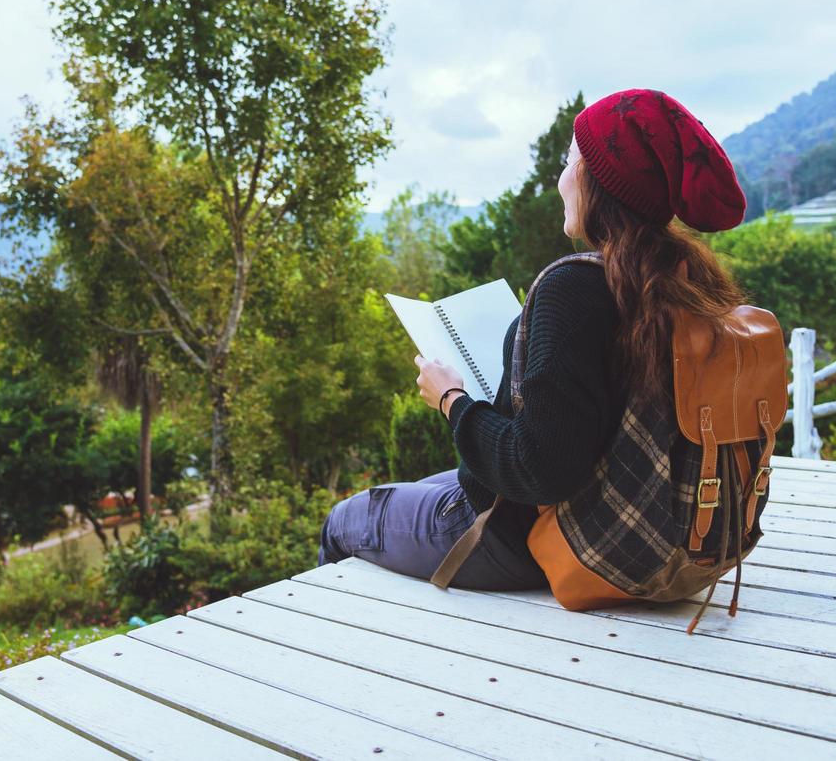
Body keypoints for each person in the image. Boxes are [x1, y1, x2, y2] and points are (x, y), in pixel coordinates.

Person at [317, 88, 750, 590]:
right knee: (407, 491)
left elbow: (541, 469)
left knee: (345, 518)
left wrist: (452, 400)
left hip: (524, 536)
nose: (560, 178)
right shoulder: (676, 277)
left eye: (570, 162)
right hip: (646, 519)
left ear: (600, 181)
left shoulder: (574, 288)